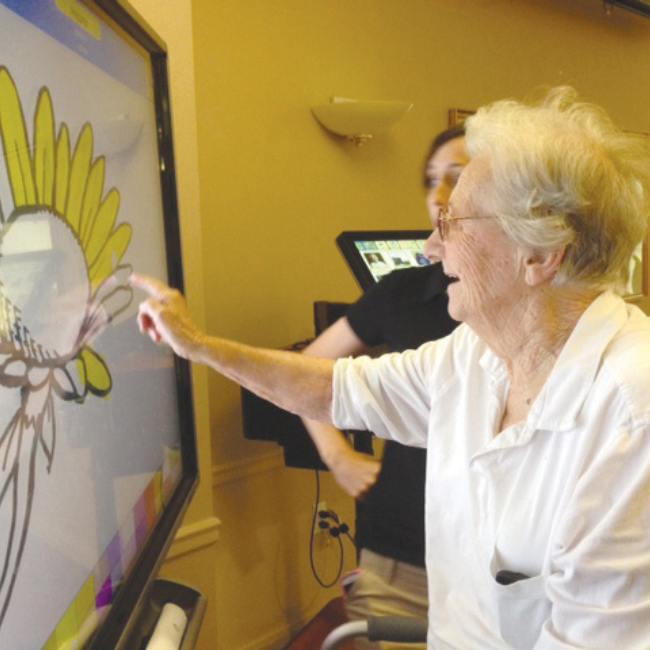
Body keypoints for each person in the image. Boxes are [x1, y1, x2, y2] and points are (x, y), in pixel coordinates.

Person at [133, 86, 650, 649]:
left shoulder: (631, 415)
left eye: (453, 222)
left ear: (541, 254)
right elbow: (335, 389)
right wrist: (201, 345)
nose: (431, 247)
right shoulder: (474, 354)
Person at [300, 126, 465, 649]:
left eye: (456, 180)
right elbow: (311, 369)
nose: (437, 197)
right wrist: (338, 456)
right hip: (401, 560)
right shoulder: (401, 294)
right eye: (429, 181)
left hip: (503, 568)